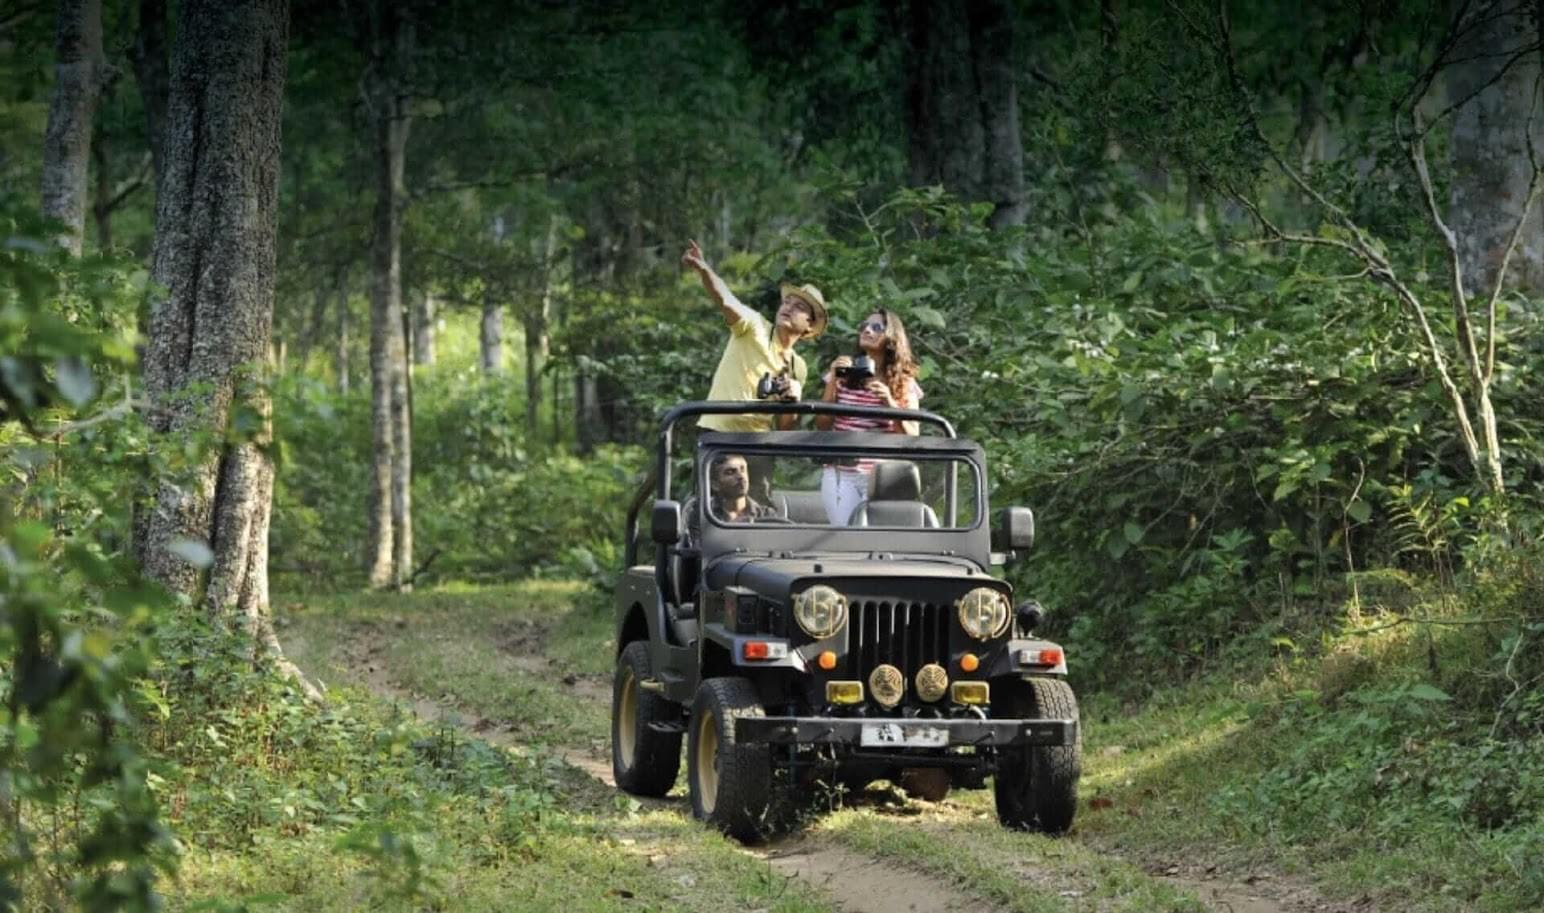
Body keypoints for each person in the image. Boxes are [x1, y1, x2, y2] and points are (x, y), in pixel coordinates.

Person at [682, 239, 828, 501]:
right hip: (720, 434)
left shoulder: (798, 366)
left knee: (757, 507)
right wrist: (705, 270)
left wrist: (793, 399)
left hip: (758, 443)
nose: (788, 308)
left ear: (808, 326)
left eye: (799, 307)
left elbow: (784, 428)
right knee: (708, 510)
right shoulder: (755, 327)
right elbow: (726, 301)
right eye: (787, 303)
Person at [814, 308, 923, 525]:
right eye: (864, 326)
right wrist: (834, 380)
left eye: (876, 327)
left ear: (892, 337)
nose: (867, 330)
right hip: (842, 471)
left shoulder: (904, 382)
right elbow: (822, 424)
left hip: (882, 478)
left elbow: (912, 435)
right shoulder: (844, 373)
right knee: (846, 537)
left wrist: (889, 404)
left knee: (877, 540)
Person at [687, 453, 777, 542]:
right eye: (730, 472)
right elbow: (701, 550)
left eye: (743, 469)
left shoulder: (766, 515)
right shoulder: (702, 515)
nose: (740, 476)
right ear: (715, 485)